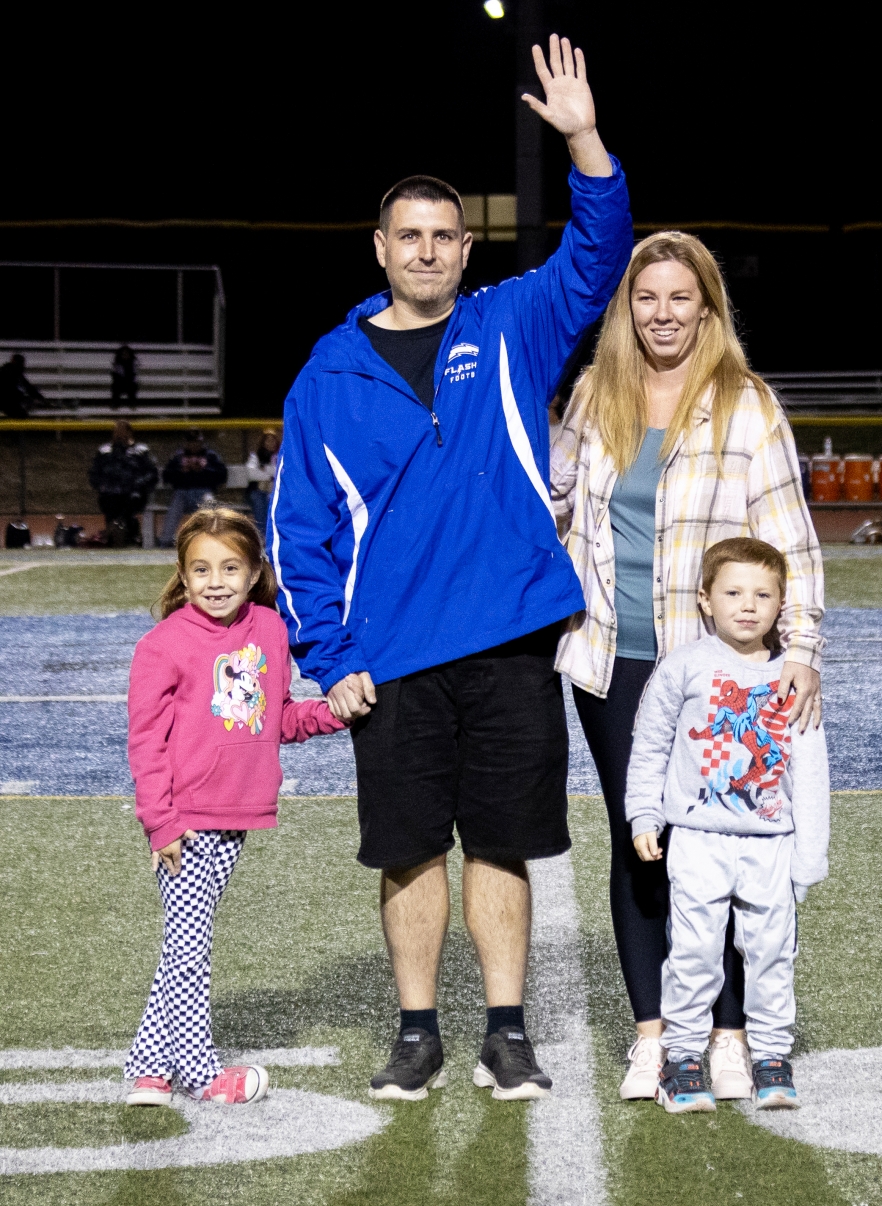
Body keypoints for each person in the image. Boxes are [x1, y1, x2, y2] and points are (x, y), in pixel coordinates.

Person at [270, 35, 632, 1102]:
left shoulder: (511, 325)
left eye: (443, 237)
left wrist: (583, 140)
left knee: (504, 847)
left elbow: (599, 254)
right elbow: (301, 537)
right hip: (388, 659)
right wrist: (325, 658)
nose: (426, 252)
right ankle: (419, 1030)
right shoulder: (325, 377)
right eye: (408, 236)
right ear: (378, 247)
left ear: (466, 249)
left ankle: (507, 1030)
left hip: (510, 638)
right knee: (407, 853)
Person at [551, 231, 824, 1102]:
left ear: (708, 308)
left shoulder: (746, 403)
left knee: (731, 841)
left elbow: (792, 540)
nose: (663, 314)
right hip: (612, 663)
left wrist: (803, 648)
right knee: (643, 842)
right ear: (625, 309)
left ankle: (734, 1034)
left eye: (681, 298)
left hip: (723, 671)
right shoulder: (597, 394)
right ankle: (654, 1034)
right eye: (646, 298)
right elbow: (555, 506)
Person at [124, 507, 346, 1107]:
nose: (215, 581)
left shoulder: (271, 631)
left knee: (182, 941)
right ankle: (199, 1073)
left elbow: (276, 719)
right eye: (200, 569)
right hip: (187, 820)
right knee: (189, 947)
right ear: (183, 574)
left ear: (253, 574)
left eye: (229, 567)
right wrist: (161, 823)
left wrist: (332, 714)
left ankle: (149, 1068)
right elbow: (145, 744)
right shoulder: (161, 645)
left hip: (237, 814)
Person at [625, 538, 829, 1112]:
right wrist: (645, 813)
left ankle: (769, 1055)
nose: (748, 605)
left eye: (763, 595)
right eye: (733, 592)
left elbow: (810, 771)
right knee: (692, 952)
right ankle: (683, 1059)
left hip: (771, 845)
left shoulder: (794, 678)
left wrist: (810, 854)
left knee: (770, 954)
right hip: (697, 840)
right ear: (705, 600)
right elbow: (650, 747)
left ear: (781, 604)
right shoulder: (683, 667)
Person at [88, 420, 158, 546]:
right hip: (110, 494)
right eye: (117, 432)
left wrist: (138, 484)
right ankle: (115, 534)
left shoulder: (141, 451)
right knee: (111, 503)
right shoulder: (104, 451)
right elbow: (94, 473)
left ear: (130, 433)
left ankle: (123, 533)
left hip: (133, 493)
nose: (120, 435)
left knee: (130, 505)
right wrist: (102, 485)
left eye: (123, 431)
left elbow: (152, 473)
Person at [159, 429, 228, 547]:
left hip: (203, 490)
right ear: (186, 443)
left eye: (197, 442)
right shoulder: (178, 456)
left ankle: (215, 538)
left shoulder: (211, 456)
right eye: (191, 442)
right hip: (182, 492)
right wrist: (181, 471)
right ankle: (165, 540)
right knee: (175, 504)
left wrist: (203, 471)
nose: (194, 445)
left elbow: (222, 475)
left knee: (209, 504)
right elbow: (167, 475)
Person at [245, 428, 280, 536]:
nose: (270, 443)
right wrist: (270, 474)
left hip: (275, 491)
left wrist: (265, 470)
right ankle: (261, 535)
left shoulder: (280, 456)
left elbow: (280, 473)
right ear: (263, 442)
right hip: (258, 491)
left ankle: (272, 535)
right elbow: (251, 474)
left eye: (273, 440)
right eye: (267, 440)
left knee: (273, 500)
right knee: (259, 500)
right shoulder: (255, 456)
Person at [0, 353, 43, 418]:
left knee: (21, 416)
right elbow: (9, 391)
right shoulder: (8, 372)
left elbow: (28, 387)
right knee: (21, 416)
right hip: (5, 400)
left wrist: (40, 398)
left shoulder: (16, 372)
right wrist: (24, 398)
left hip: (8, 401)